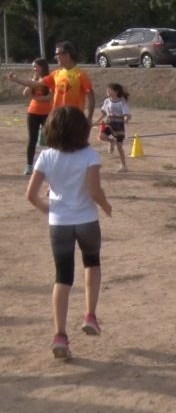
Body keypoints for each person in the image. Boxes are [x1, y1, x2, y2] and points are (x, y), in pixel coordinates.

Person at [26, 106, 112, 359]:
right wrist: (106, 207)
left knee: (62, 277)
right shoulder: (90, 156)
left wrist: (50, 210)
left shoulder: (46, 156)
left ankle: (60, 334)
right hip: (86, 220)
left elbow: (30, 195)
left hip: (59, 224)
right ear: (83, 131)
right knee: (92, 264)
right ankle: (90, 315)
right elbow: (94, 191)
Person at [8, 41, 95, 121]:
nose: (56, 57)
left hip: (74, 119)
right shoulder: (56, 74)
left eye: (58, 54)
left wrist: (89, 117)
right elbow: (36, 84)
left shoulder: (81, 74)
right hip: (57, 117)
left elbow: (91, 97)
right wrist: (17, 80)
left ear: (67, 55)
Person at [15, 58, 52, 175]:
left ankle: (50, 166)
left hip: (46, 113)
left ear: (42, 67)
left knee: (50, 140)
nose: (34, 69)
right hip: (33, 112)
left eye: (35, 66)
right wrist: (33, 80)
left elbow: (49, 98)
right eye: (33, 67)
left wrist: (35, 97)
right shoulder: (35, 79)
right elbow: (25, 93)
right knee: (32, 139)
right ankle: (29, 166)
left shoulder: (49, 79)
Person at [94, 83, 131, 173]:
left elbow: (127, 114)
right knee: (102, 136)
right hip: (109, 123)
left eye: (109, 90)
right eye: (107, 90)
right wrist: (96, 122)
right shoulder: (107, 101)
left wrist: (126, 119)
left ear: (116, 91)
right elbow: (103, 113)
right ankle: (111, 141)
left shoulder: (122, 101)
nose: (107, 91)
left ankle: (124, 166)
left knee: (119, 147)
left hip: (119, 125)